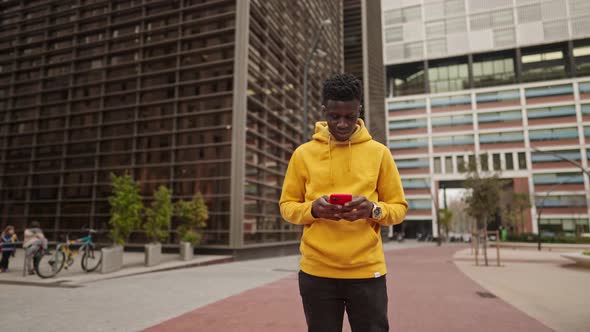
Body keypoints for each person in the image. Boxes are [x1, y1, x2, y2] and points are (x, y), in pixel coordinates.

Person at [279, 73, 408, 332]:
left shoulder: (379, 153)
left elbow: (399, 208)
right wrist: (313, 209)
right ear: (324, 110)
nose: (341, 124)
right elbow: (287, 206)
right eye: (334, 116)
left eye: (349, 116)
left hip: (367, 272)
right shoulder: (303, 155)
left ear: (358, 110)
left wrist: (373, 209)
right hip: (317, 273)